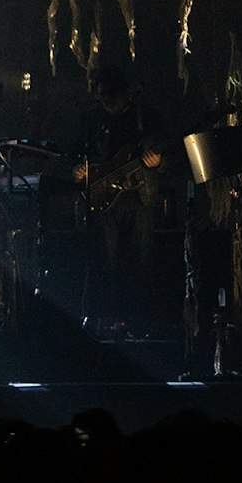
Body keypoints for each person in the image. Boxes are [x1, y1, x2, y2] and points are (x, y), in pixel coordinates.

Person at [72, 64, 177, 334]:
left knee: (141, 260)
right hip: (104, 199)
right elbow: (73, 153)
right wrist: (78, 170)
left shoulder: (146, 118)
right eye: (102, 96)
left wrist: (159, 162)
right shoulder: (91, 120)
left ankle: (139, 321)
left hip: (140, 199)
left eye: (111, 95)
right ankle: (102, 318)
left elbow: (171, 157)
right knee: (103, 260)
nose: (107, 101)